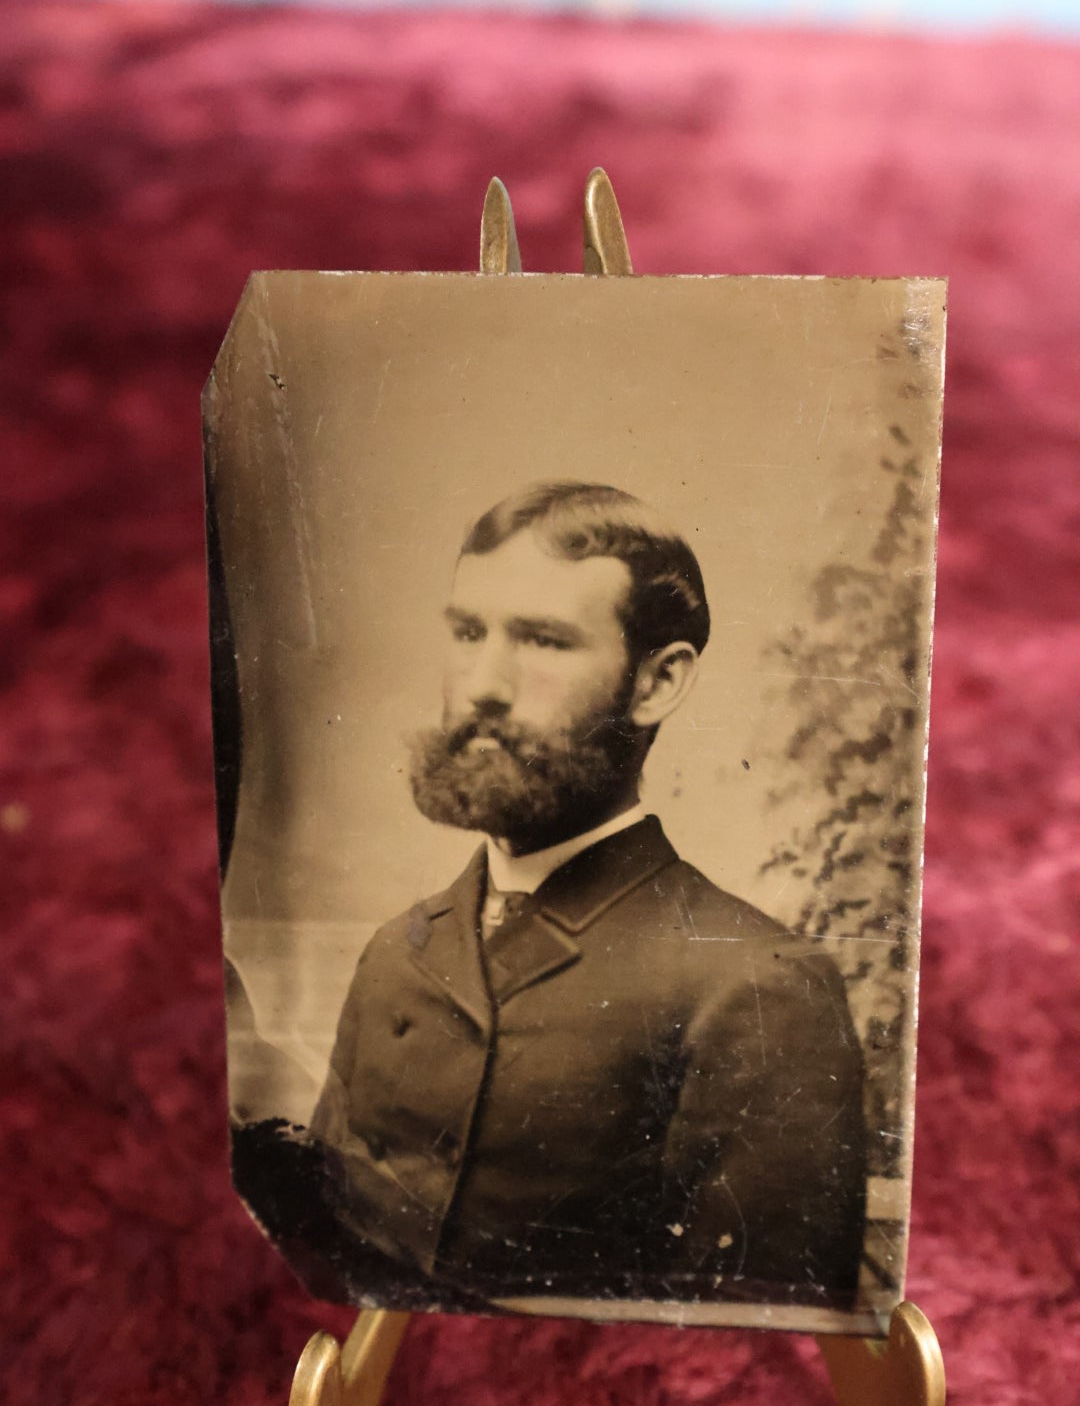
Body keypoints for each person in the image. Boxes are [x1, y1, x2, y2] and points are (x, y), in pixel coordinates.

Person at [309, 482, 866, 1311]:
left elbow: (747, 1350)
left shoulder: (758, 984)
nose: (483, 685)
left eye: (542, 640)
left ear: (657, 684)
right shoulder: (402, 950)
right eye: (467, 632)